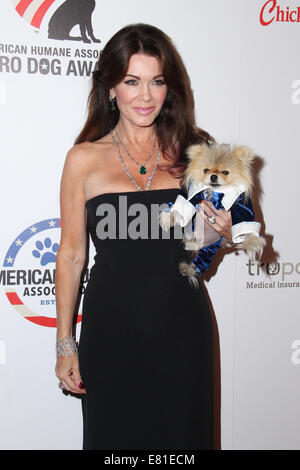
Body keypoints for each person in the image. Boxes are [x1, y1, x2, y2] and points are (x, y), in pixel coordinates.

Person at [55, 23, 232, 450]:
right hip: (109, 336)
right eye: (132, 81)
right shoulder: (83, 160)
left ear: (169, 88)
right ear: (111, 87)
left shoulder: (196, 154)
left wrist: (220, 232)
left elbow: (199, 246)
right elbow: (72, 255)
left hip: (182, 333)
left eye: (156, 81)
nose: (146, 96)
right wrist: (65, 344)